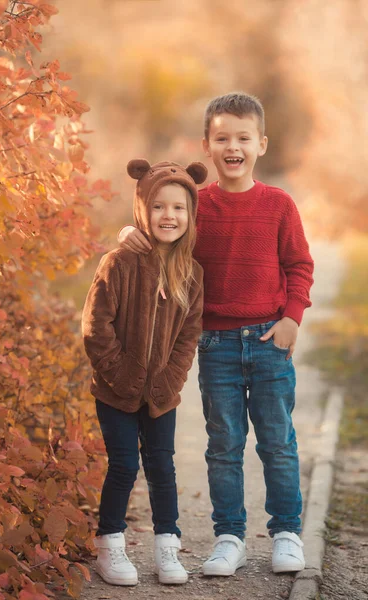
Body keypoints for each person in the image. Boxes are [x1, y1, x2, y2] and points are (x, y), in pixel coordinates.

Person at [117, 92, 314, 577]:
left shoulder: (278, 204)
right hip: (216, 345)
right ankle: (230, 537)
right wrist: (130, 237)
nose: (233, 146)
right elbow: (164, 240)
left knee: (277, 441)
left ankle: (286, 533)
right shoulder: (196, 207)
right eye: (222, 137)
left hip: (270, 340)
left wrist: (292, 318)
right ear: (206, 145)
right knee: (223, 443)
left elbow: (299, 265)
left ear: (261, 144)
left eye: (243, 138)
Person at [82, 158, 207, 586]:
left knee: (163, 466)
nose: (168, 216)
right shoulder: (118, 263)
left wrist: (170, 380)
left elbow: (189, 336)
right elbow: (96, 327)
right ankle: (110, 546)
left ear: (190, 215)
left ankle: (167, 546)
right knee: (123, 465)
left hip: (161, 394)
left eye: (178, 208)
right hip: (115, 390)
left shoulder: (191, 273)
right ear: (142, 210)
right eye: (158, 207)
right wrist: (119, 373)